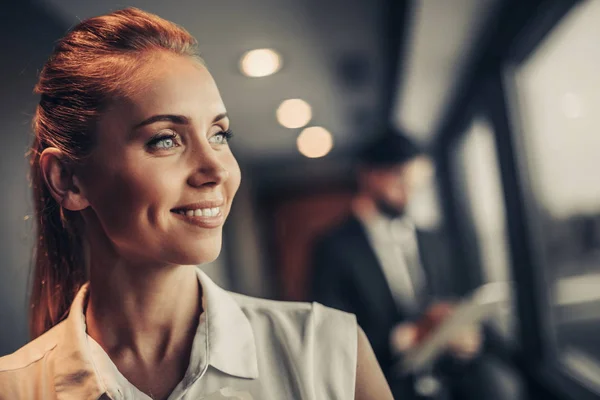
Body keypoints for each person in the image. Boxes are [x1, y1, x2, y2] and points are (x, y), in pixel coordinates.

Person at [0, 8, 393, 400]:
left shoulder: (329, 352)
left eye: (219, 134)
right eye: (165, 139)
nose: (216, 170)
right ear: (67, 180)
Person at [310, 132, 483, 399]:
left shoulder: (433, 240)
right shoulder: (332, 248)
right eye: (400, 178)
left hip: (450, 382)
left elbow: (450, 297)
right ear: (368, 175)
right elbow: (332, 336)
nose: (409, 192)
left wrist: (461, 333)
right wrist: (409, 337)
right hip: (381, 384)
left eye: (417, 183)